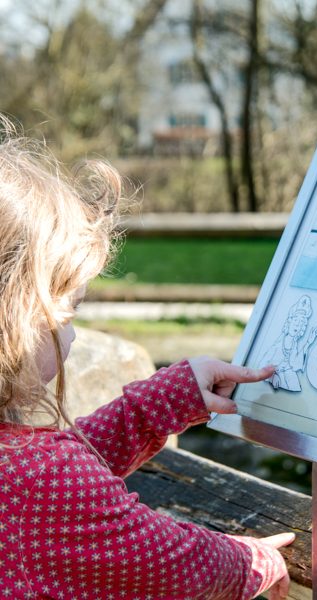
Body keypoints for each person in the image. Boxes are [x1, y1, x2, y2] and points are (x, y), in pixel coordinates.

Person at [0, 118, 294, 599]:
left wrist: (151, 409)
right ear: (16, 320)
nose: (72, 330)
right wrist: (252, 561)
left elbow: (55, 495)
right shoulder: (37, 481)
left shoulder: (28, 480)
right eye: (69, 309)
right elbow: (170, 564)